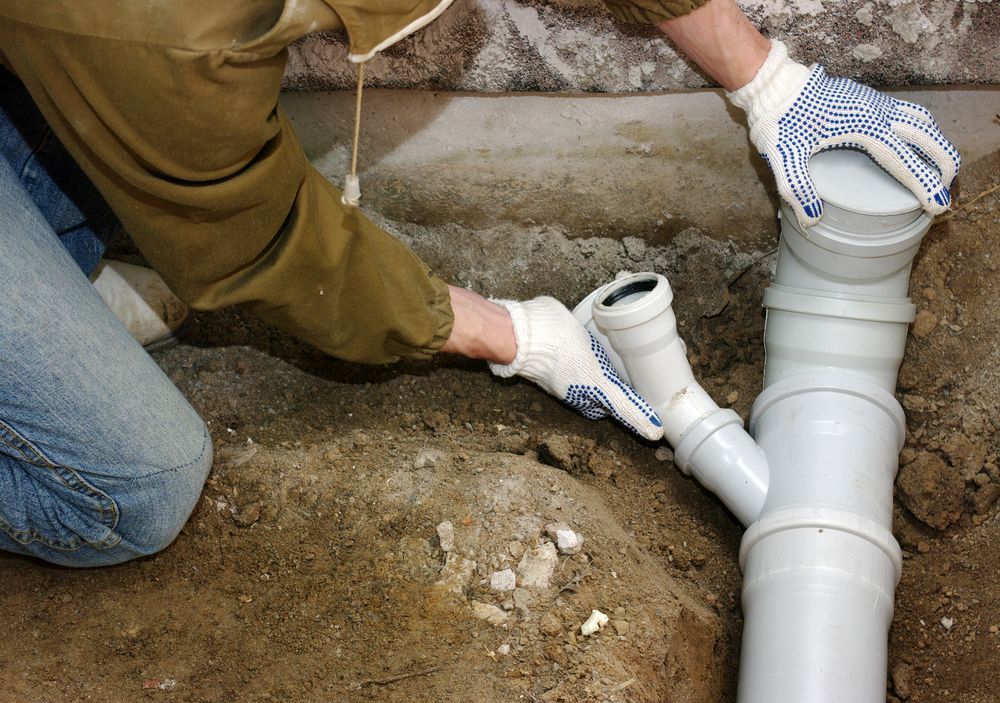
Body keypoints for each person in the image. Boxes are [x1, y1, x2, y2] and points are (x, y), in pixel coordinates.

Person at [0, 0, 959, 567]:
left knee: (89, 167)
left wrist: (767, 79)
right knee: (136, 488)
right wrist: (518, 336)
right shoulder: (162, 31)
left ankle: (61, 252)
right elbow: (269, 244)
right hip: (100, 39)